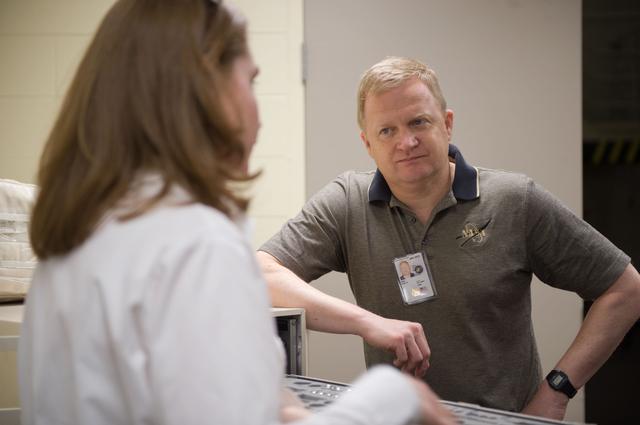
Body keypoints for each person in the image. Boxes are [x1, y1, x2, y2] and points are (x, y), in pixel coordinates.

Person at [18, 3, 457, 425]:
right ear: (206, 95)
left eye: (419, 123)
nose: (259, 116)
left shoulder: (79, 236)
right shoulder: (195, 243)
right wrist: (391, 398)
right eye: (251, 82)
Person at [257, 56, 640, 419]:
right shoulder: (346, 204)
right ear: (368, 143)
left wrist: (557, 392)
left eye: (418, 123)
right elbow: (259, 273)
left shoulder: (513, 200)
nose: (405, 142)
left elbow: (626, 290)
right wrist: (367, 322)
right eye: (387, 131)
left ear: (447, 123)